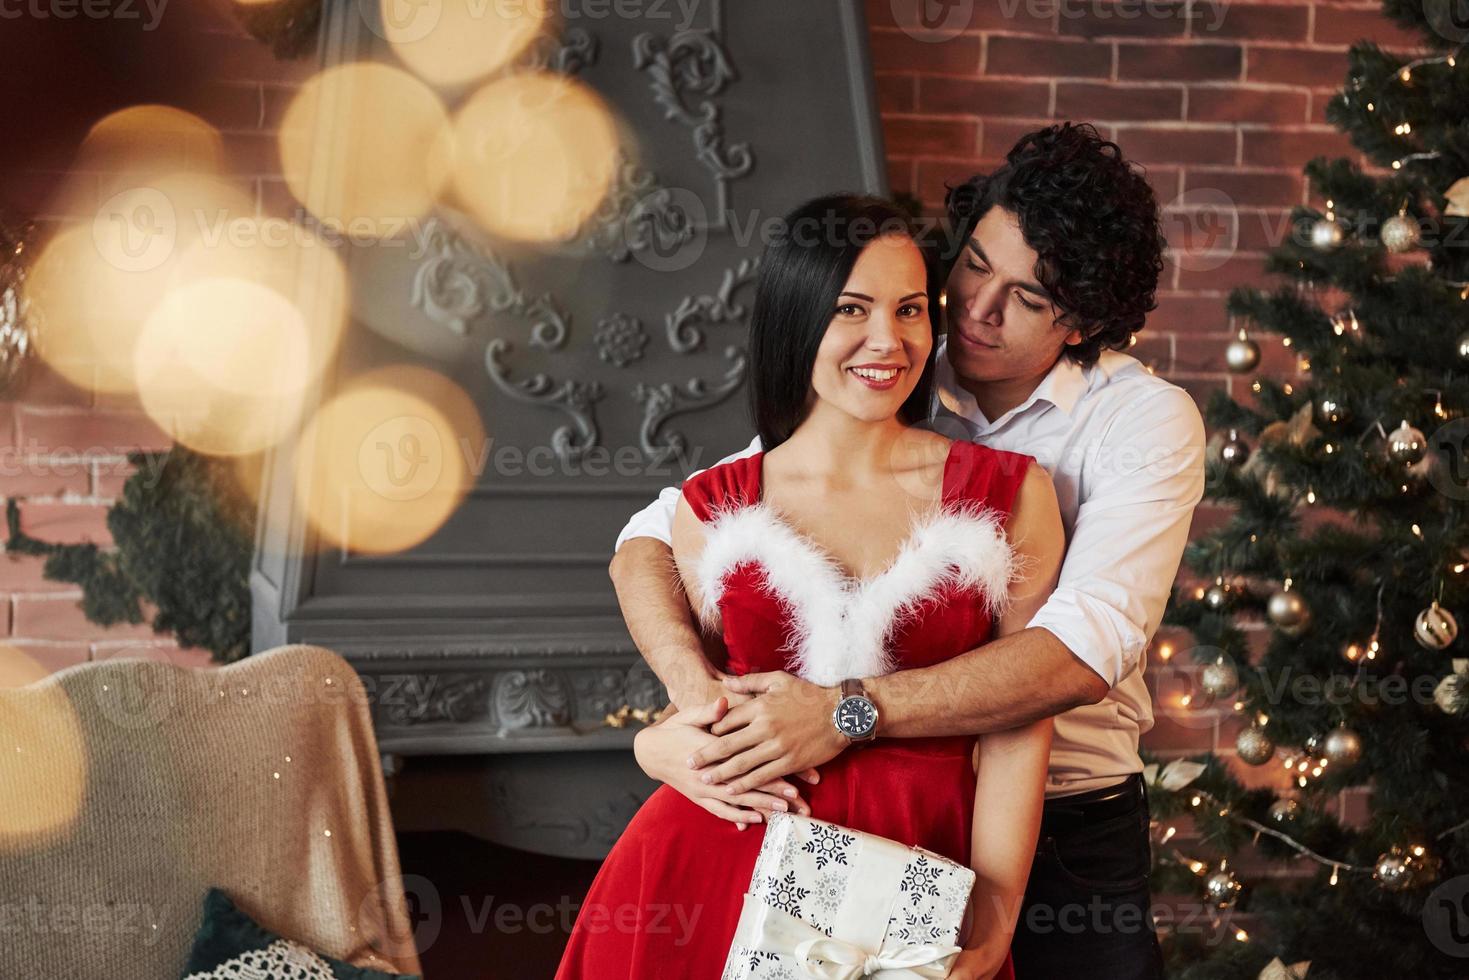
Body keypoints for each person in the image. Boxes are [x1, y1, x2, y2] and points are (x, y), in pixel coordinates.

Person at [611, 123, 1205, 980]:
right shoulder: (892, 363)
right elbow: (655, 536)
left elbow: (1079, 654)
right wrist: (680, 715)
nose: (976, 310)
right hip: (870, 822)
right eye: (971, 267)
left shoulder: (1140, 421)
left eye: (1027, 298)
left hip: (1069, 822)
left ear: (1083, 321)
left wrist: (845, 711)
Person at [555, 194, 1065, 980]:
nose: (886, 341)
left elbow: (1017, 723)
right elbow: (714, 706)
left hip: (914, 875)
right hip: (710, 876)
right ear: (797, 322)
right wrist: (654, 743)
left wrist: (995, 920)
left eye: (909, 310)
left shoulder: (1009, 495)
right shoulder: (711, 510)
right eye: (849, 310)